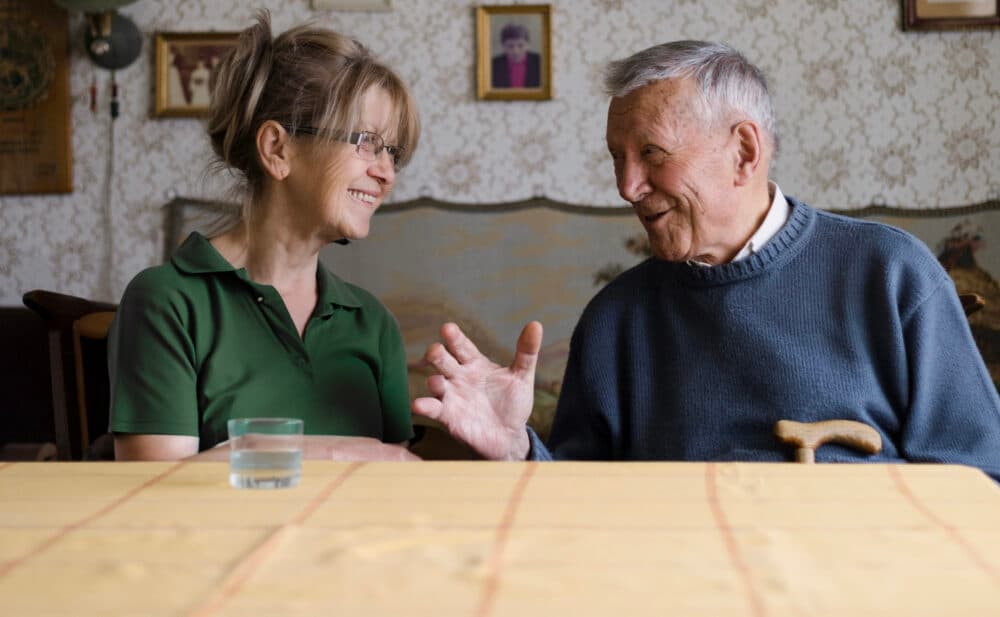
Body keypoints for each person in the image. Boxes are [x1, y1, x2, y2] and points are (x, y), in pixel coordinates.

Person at [413, 40, 1000, 481]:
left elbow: (979, 476)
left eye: (651, 154)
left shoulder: (891, 274)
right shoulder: (617, 318)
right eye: (617, 157)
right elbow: (576, 500)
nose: (626, 185)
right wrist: (517, 449)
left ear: (744, 152)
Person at [108, 12, 420, 462]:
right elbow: (153, 488)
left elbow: (391, 480)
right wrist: (334, 451)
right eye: (366, 142)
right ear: (277, 148)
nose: (386, 173)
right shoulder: (166, 301)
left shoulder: (372, 324)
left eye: (392, 152)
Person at [491, 23, 541, 89]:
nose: (515, 51)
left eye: (520, 45)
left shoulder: (540, 62)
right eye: (510, 46)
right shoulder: (492, 65)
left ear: (528, 45)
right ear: (503, 46)